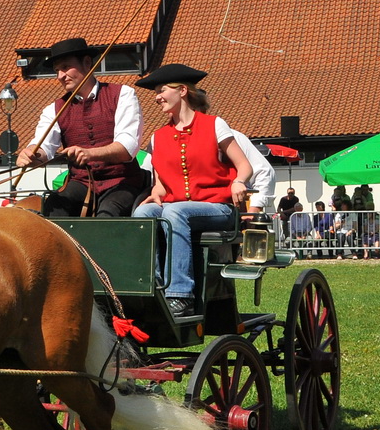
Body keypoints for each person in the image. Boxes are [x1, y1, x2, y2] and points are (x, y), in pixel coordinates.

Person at [131, 64, 253, 318]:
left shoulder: (214, 125)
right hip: (178, 207)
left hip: (219, 208)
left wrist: (239, 181)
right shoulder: (158, 137)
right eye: (156, 92)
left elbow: (244, 166)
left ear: (183, 91)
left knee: (175, 212)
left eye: (162, 90)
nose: (157, 97)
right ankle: (150, 288)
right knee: (142, 215)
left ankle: (179, 294)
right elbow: (161, 184)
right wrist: (156, 192)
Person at [17, 37, 150, 217]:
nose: (60, 76)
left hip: (122, 182)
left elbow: (128, 147)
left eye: (65, 67)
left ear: (87, 63)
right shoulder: (54, 109)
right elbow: (44, 148)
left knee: (108, 214)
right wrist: (31, 154)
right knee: (53, 209)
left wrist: (90, 153)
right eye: (57, 70)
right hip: (80, 183)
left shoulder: (123, 95)